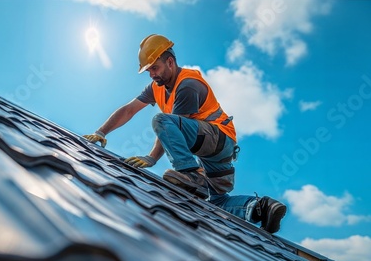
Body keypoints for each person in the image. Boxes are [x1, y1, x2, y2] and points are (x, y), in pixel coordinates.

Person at [84, 34, 286, 233]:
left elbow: (173, 128)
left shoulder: (188, 85)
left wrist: (151, 158)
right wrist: (101, 132)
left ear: (170, 62)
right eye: (148, 70)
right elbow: (129, 110)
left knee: (161, 120)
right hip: (215, 151)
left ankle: (192, 175)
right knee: (218, 202)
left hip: (217, 139)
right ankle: (262, 208)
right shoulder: (157, 87)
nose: (152, 74)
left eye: (155, 68)